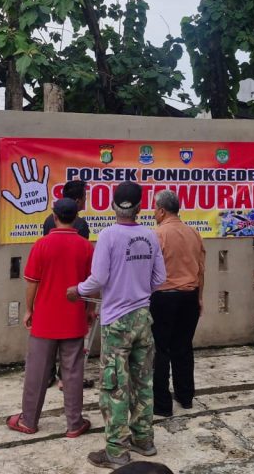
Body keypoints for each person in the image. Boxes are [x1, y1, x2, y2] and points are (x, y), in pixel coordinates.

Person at [66, 181, 166, 470]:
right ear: (140, 207)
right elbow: (160, 278)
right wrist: (139, 289)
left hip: (117, 322)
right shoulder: (150, 235)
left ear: (112, 206)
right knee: (143, 381)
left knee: (114, 387)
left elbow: (98, 279)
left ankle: (116, 451)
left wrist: (77, 291)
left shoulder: (108, 235)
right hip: (143, 318)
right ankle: (144, 440)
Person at [7, 198, 95, 438]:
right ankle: (74, 424)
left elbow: (32, 283)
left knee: (36, 372)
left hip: (45, 319)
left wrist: (29, 310)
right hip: (74, 318)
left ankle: (28, 421)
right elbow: (92, 285)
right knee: (73, 373)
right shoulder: (86, 247)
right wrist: (89, 309)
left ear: (54, 217)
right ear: (76, 217)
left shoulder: (42, 244)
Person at [150, 189, 205, 417]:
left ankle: (162, 405)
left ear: (162, 211)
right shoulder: (194, 233)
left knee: (161, 349)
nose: (153, 212)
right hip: (190, 296)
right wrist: (199, 297)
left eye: (155, 208)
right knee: (183, 347)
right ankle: (185, 397)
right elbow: (201, 270)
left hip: (164, 297)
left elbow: (149, 271)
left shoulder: (157, 235)